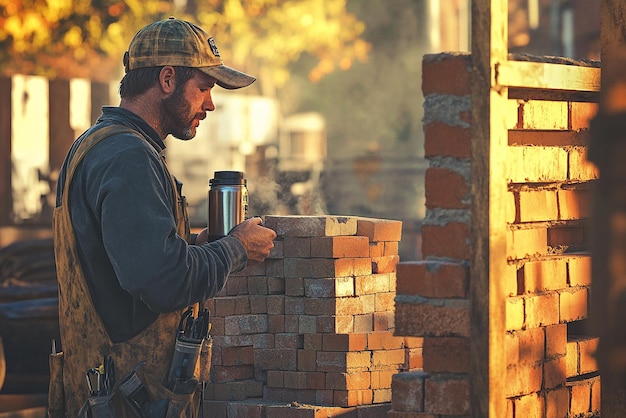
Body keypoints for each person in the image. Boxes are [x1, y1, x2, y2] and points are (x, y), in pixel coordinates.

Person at [51, 17, 276, 417]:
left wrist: (196, 246)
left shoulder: (97, 145)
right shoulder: (128, 157)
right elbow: (164, 282)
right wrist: (235, 249)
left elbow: (124, 267)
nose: (210, 104)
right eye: (204, 88)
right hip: (130, 401)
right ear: (168, 79)